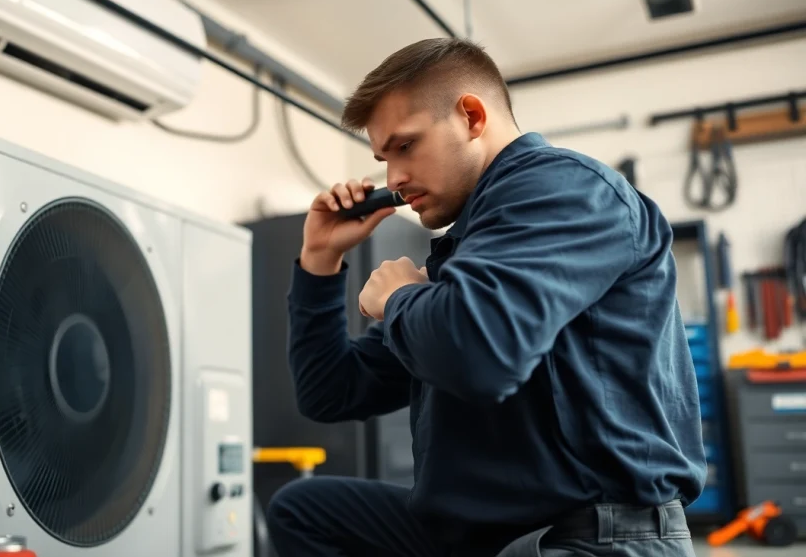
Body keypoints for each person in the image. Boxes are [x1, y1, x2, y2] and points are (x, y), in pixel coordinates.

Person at [265, 37, 706, 557]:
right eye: (383, 159)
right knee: (306, 512)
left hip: (591, 536)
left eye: (405, 147)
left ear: (471, 116)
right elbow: (331, 391)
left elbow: (481, 356)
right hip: (482, 532)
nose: (394, 180)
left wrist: (400, 297)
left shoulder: (564, 190)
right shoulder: (467, 252)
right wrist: (319, 261)